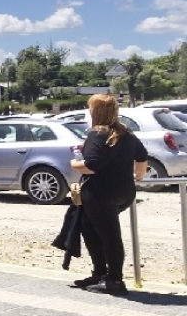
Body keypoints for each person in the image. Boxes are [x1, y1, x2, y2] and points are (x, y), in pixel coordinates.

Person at [70, 94, 149, 296]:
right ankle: (100, 274)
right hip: (124, 192)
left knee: (109, 236)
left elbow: (91, 166)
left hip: (100, 194)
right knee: (90, 229)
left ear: (94, 111)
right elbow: (142, 157)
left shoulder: (97, 134)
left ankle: (114, 280)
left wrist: (74, 164)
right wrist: (137, 176)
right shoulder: (126, 133)